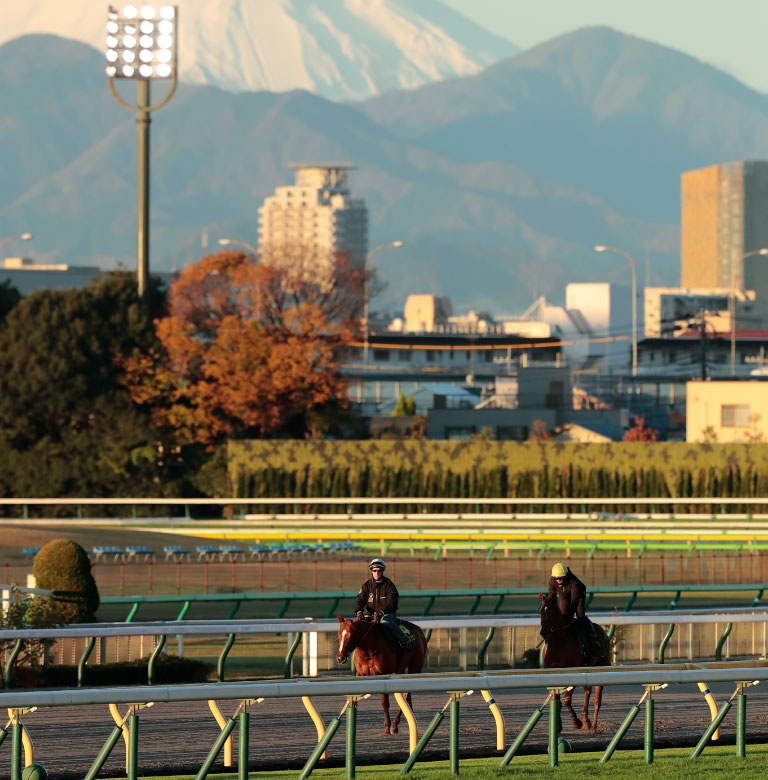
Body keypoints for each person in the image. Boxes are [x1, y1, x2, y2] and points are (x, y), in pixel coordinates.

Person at [548, 562, 601, 659]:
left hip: (578, 596)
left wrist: (568, 617)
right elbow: (551, 597)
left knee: (580, 616)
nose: (558, 580)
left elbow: (574, 602)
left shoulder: (574, 583)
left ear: (566, 575)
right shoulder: (552, 581)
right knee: (562, 616)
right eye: (556, 578)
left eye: (561, 578)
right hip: (564, 596)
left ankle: (595, 643)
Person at [355, 558, 408, 648]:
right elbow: (360, 600)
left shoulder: (389, 585)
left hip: (387, 614)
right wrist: (359, 612)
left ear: (382, 571)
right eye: (374, 570)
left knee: (384, 621)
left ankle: (403, 639)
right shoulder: (366, 585)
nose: (377, 573)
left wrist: (381, 612)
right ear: (371, 571)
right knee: (357, 624)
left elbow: (392, 603)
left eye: (379, 571)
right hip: (371, 614)